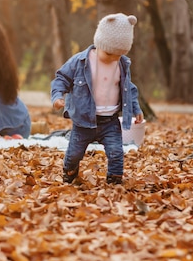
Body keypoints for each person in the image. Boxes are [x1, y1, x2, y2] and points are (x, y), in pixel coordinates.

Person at [51, 13, 143, 185]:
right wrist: (57, 96)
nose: (114, 59)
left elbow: (129, 88)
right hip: (83, 120)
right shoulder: (80, 61)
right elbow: (61, 78)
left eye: (119, 54)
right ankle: (69, 172)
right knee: (74, 153)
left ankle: (114, 180)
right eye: (109, 53)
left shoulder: (122, 64)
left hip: (110, 120)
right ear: (100, 44)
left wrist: (136, 108)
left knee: (116, 152)